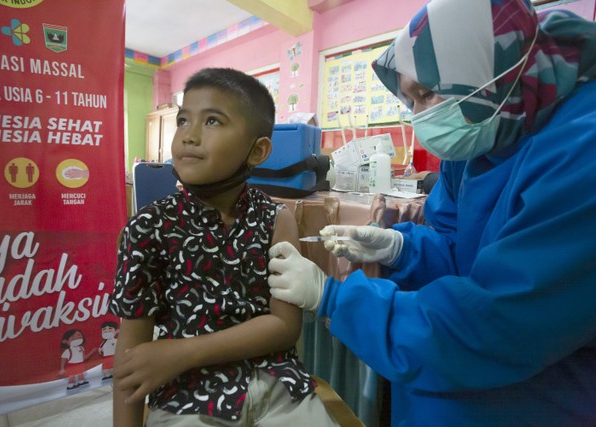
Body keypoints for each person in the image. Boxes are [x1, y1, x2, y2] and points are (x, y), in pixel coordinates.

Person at [267, 0, 596, 425]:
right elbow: (457, 245)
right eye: (410, 99)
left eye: (426, 93)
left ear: (486, 72)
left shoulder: (581, 157)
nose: (420, 116)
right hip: (461, 363)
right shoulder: (489, 127)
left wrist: (333, 297)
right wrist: (403, 248)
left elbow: (494, 327)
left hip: (535, 386)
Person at [110, 68, 338, 426]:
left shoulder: (277, 219)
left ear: (258, 150)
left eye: (212, 121)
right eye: (183, 121)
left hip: (279, 389)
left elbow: (284, 325)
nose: (189, 136)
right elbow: (133, 359)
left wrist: (180, 352)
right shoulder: (147, 228)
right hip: (188, 397)